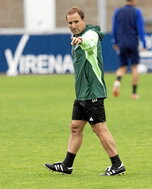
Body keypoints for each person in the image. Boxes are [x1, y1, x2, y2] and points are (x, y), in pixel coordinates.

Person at [44, 7, 125, 176]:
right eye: (70, 23)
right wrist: (77, 40)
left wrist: (81, 41)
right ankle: (67, 165)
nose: (73, 25)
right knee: (75, 127)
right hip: (82, 93)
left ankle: (117, 165)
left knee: (99, 128)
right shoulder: (76, 37)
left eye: (76, 22)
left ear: (84, 21)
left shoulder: (90, 34)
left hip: (92, 92)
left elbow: (90, 42)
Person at [112, 0, 147, 99]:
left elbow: (114, 28)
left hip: (121, 43)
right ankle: (134, 93)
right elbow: (140, 29)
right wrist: (144, 43)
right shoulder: (137, 12)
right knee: (135, 67)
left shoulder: (117, 11)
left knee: (122, 66)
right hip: (133, 43)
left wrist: (114, 42)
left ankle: (117, 82)